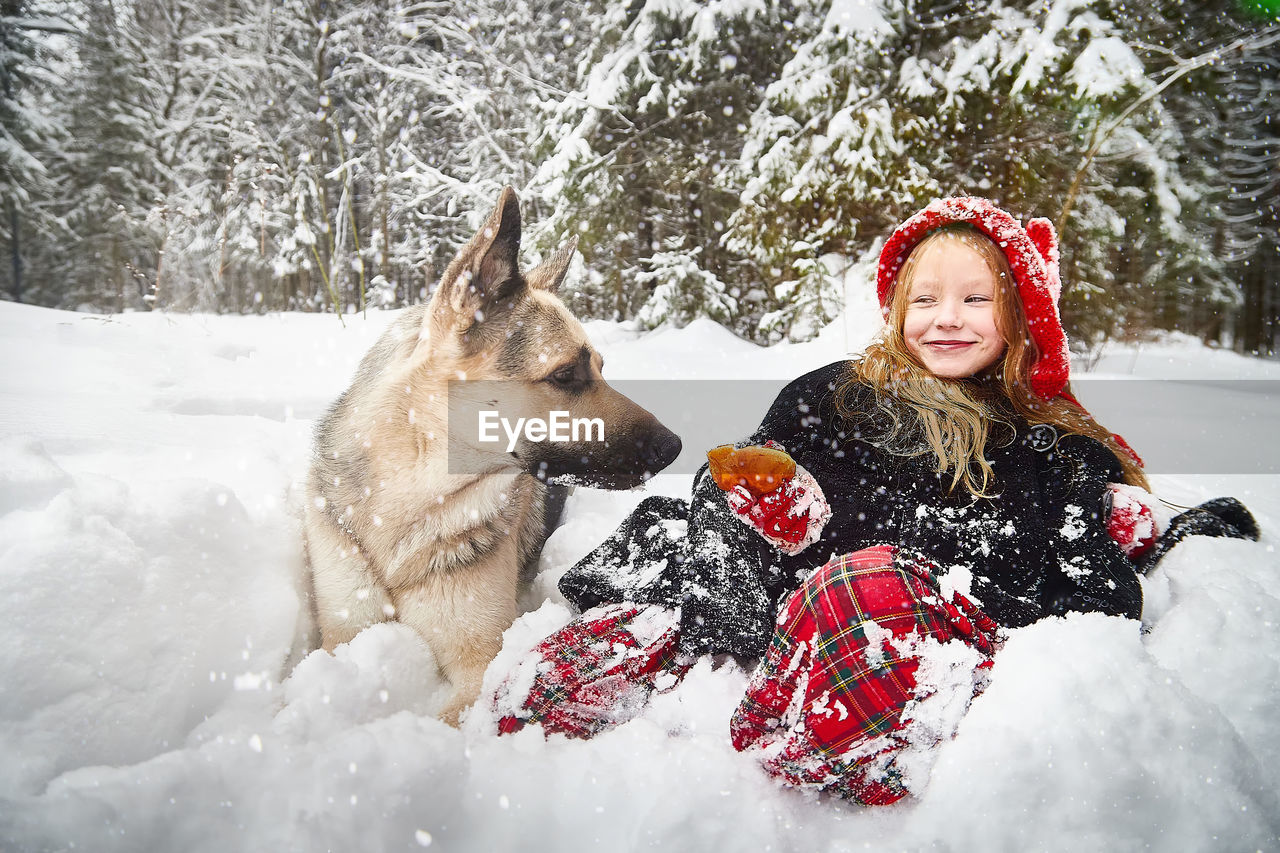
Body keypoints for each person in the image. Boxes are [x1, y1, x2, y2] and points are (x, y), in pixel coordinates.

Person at [488, 197, 1259, 804]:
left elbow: (1088, 578)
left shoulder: (1047, 446)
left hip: (893, 625)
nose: (946, 316)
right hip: (765, 607)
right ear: (896, 306)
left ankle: (782, 742)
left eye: (976, 298)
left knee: (865, 593)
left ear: (1021, 313)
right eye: (925, 297)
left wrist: (1137, 523)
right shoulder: (836, 394)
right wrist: (772, 508)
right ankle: (727, 680)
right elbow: (750, 474)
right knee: (544, 692)